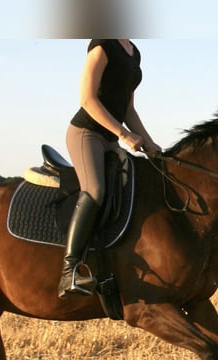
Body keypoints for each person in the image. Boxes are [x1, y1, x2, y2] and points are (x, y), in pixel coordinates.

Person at [60, 38, 161, 298]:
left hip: (110, 139)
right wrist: (124, 135)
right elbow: (87, 99)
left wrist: (150, 142)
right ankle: (70, 270)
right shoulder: (102, 45)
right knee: (94, 190)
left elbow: (128, 109)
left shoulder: (133, 52)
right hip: (87, 133)